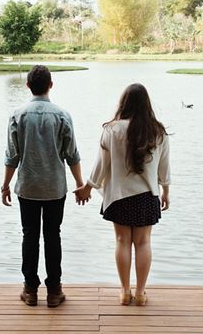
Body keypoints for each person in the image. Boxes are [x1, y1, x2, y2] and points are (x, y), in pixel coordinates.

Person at [74, 83, 170, 306]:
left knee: (122, 241)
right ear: (147, 104)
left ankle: (125, 292)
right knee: (144, 242)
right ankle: (141, 293)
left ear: (123, 103)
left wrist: (88, 187)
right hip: (148, 195)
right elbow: (164, 167)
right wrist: (166, 190)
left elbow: (101, 165)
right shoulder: (158, 131)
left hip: (119, 197)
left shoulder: (112, 129)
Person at [1, 65, 85, 308]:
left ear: (28, 86)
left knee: (29, 235)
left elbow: (12, 156)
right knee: (52, 236)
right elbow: (72, 154)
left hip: (27, 187)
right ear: (51, 85)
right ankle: (54, 291)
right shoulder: (62, 115)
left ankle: (29, 290)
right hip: (55, 188)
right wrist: (80, 183)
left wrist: (5, 185)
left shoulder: (18, 114)